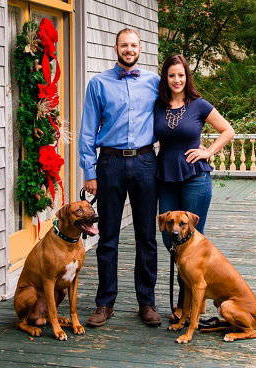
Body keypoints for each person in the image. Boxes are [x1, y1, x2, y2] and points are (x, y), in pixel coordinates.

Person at [79, 28, 162, 328]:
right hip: (110, 163)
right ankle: (105, 303)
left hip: (144, 162)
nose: (129, 49)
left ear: (141, 48)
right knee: (108, 237)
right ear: (115, 47)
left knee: (146, 237)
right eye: (124, 45)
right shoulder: (98, 83)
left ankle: (147, 302)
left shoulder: (155, 82)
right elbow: (88, 129)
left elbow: (173, 115)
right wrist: (89, 171)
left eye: (134, 45)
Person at [154, 54, 234, 320]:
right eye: (171, 75)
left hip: (195, 180)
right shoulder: (158, 105)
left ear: (187, 77)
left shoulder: (199, 105)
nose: (177, 80)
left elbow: (228, 130)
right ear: (165, 78)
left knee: (190, 243)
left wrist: (207, 152)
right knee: (170, 238)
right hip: (166, 180)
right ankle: (187, 301)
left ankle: (185, 306)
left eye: (181, 75)